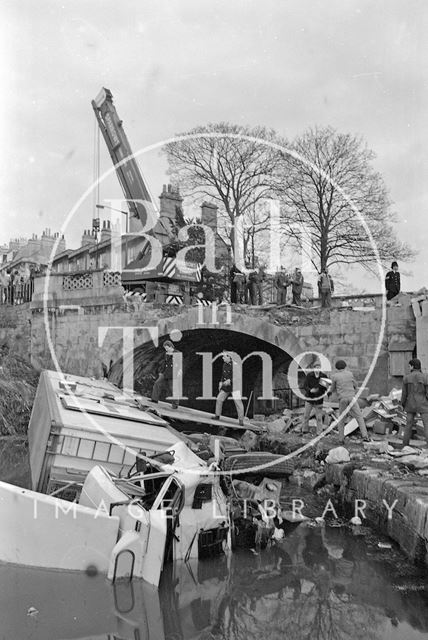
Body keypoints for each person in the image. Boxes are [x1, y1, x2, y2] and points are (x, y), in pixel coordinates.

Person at [329, 360, 370, 443]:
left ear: (336, 368)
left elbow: (332, 389)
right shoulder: (350, 374)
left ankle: (341, 439)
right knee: (359, 417)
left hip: (342, 399)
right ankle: (365, 436)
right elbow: (355, 385)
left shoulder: (335, 376)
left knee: (342, 419)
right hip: (352, 398)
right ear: (345, 366)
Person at [401, 358, 428, 447]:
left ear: (412, 366)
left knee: (408, 425)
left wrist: (403, 404)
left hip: (410, 404)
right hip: (423, 404)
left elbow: (404, 394)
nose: (409, 368)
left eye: (409, 366)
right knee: (426, 425)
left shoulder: (406, 377)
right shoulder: (425, 377)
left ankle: (405, 445)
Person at [213, 351, 244, 426]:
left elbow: (238, 377)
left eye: (224, 357)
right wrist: (220, 382)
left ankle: (241, 420)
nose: (222, 358)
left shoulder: (235, 365)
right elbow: (223, 375)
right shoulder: (224, 365)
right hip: (226, 387)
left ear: (229, 357)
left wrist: (230, 380)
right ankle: (217, 416)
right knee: (219, 399)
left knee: (238, 402)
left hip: (235, 387)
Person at [151, 340, 181, 408]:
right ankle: (154, 399)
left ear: (171, 347)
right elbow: (165, 363)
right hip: (165, 372)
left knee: (173, 389)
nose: (166, 350)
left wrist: (179, 370)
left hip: (174, 373)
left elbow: (179, 363)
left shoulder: (177, 353)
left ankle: (175, 405)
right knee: (157, 383)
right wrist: (161, 371)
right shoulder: (166, 354)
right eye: (165, 348)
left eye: (167, 348)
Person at [302, 362, 328, 434]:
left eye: (318, 368)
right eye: (316, 367)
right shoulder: (309, 376)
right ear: (313, 368)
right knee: (306, 415)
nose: (317, 369)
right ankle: (304, 431)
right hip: (309, 399)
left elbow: (326, 387)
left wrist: (323, 392)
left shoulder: (323, 376)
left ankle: (319, 432)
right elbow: (305, 386)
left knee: (319, 418)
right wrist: (310, 390)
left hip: (319, 400)